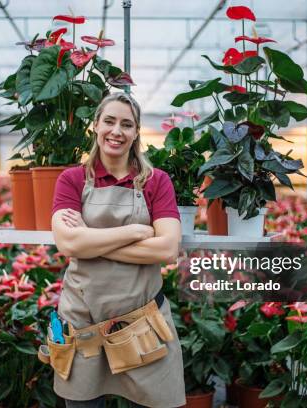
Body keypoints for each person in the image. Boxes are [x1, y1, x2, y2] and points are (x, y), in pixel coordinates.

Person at [51, 92, 186, 408]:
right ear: (95, 126)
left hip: (143, 322)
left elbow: (167, 248)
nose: (117, 131)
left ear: (136, 132)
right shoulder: (71, 180)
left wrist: (90, 240)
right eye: (109, 121)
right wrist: (136, 232)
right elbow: (67, 243)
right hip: (83, 323)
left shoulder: (156, 182)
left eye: (127, 124)